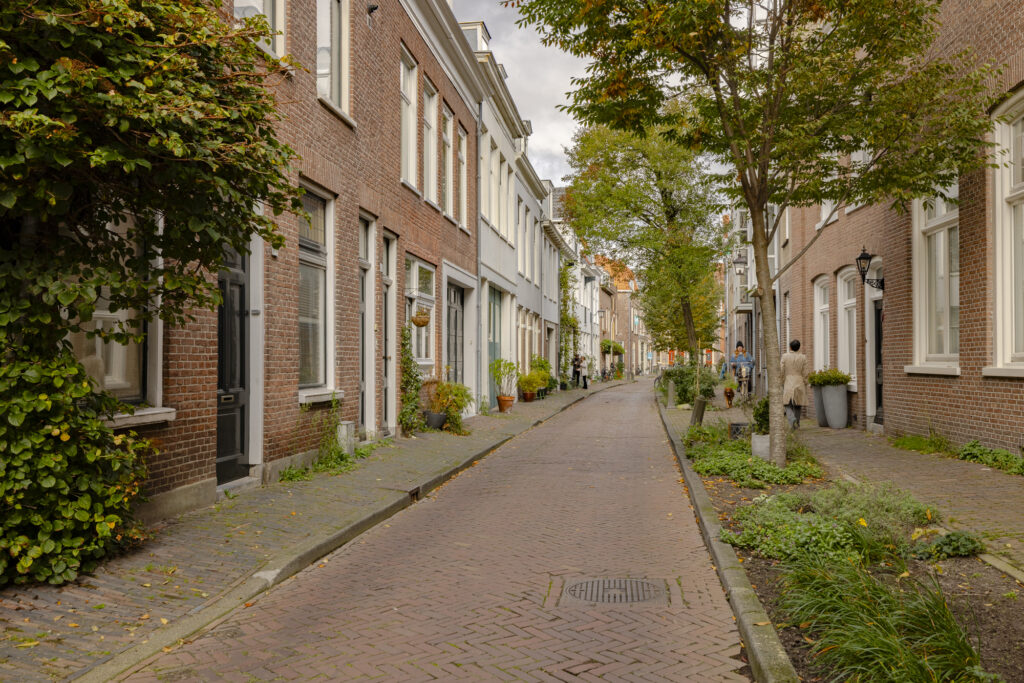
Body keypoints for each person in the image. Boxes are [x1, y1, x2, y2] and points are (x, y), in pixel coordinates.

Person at [782, 339, 810, 429]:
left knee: (786, 404)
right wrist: (806, 382)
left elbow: (781, 370)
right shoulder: (803, 357)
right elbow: (806, 372)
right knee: (798, 404)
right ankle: (796, 424)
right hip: (799, 381)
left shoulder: (785, 356)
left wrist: (781, 381)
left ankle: (792, 418)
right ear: (799, 347)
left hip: (788, 381)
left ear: (790, 347)